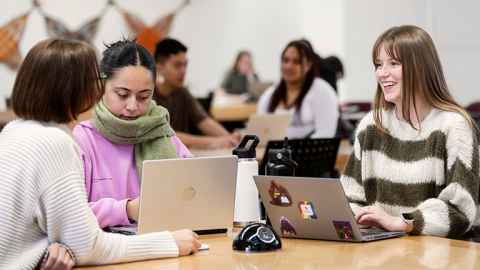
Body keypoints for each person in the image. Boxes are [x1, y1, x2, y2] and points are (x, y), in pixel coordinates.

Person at [0, 38, 200, 269]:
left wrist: (58, 244)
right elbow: (87, 246)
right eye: (93, 82)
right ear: (75, 90)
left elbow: (47, 227)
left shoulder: (13, 131)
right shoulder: (57, 143)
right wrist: (168, 243)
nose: (96, 91)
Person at [340, 25, 479, 237]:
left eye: (393, 63)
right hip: (385, 250)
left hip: (446, 254)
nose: (382, 73)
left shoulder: (454, 126)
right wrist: (358, 216)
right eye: (378, 65)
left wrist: (402, 223)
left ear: (421, 67)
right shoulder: (370, 125)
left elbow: (460, 209)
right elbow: (349, 198)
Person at [73, 39, 192, 229]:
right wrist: (127, 209)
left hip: (163, 242)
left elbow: (194, 192)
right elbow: (69, 215)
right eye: (122, 94)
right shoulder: (82, 139)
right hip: (107, 250)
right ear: (102, 87)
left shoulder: (161, 132)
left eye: (144, 96)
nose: (132, 106)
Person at [152, 38, 240, 149]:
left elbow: (204, 121)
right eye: (177, 65)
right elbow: (166, 135)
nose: (183, 71)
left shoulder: (182, 92)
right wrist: (216, 141)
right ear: (159, 67)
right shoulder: (148, 96)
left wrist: (230, 138)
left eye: (185, 65)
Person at [257, 39, 339, 139]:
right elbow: (260, 133)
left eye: (296, 62)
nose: (289, 66)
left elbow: (325, 134)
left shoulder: (322, 91)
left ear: (308, 65)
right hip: (272, 152)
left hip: (308, 152)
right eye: (285, 60)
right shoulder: (269, 95)